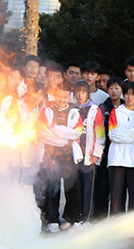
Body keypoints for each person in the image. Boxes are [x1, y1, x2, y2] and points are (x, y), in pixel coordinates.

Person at [37, 90, 84, 233]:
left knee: (73, 188)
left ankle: (74, 218)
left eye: (65, 97)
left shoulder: (75, 111)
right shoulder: (47, 110)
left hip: (70, 156)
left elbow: (77, 132)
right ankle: (52, 220)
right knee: (53, 188)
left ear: (69, 97)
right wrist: (64, 140)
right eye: (59, 96)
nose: (62, 99)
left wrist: (56, 130)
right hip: (51, 156)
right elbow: (42, 132)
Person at [107, 81, 134, 215]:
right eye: (127, 94)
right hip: (116, 158)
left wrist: (127, 134)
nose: (129, 98)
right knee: (116, 195)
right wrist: (133, 134)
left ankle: (131, 225)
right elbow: (113, 135)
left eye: (133, 95)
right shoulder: (115, 112)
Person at [72, 81, 105, 225]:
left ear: (88, 93)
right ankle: (75, 217)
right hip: (74, 155)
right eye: (77, 92)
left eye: (83, 92)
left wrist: (96, 153)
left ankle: (87, 217)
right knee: (75, 188)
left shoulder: (94, 109)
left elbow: (100, 133)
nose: (80, 95)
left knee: (88, 189)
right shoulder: (71, 109)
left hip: (89, 155)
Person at [93, 76, 125, 218]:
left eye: (117, 88)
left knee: (119, 189)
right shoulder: (102, 107)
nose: (113, 91)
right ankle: (99, 217)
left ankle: (117, 218)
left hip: (122, 154)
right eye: (110, 88)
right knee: (102, 187)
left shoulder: (127, 107)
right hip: (105, 153)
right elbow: (98, 131)